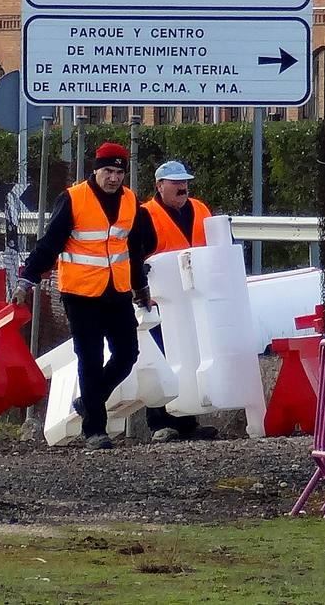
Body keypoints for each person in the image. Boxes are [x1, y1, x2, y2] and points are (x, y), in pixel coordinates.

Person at [16, 142, 140, 451]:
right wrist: (27, 279)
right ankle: (95, 429)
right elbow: (50, 243)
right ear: (95, 171)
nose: (114, 178)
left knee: (127, 354)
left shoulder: (130, 200)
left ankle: (88, 401)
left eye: (119, 172)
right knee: (91, 357)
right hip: (81, 293)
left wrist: (142, 286)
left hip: (117, 292)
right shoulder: (74, 199)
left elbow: (133, 248)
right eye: (108, 171)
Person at [128, 160, 220, 443]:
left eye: (185, 182)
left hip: (193, 299)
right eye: (176, 182)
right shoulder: (146, 215)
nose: (183, 187)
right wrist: (139, 283)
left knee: (190, 356)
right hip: (160, 301)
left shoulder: (200, 209)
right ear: (160, 186)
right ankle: (160, 424)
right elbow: (134, 255)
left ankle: (188, 420)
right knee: (162, 360)